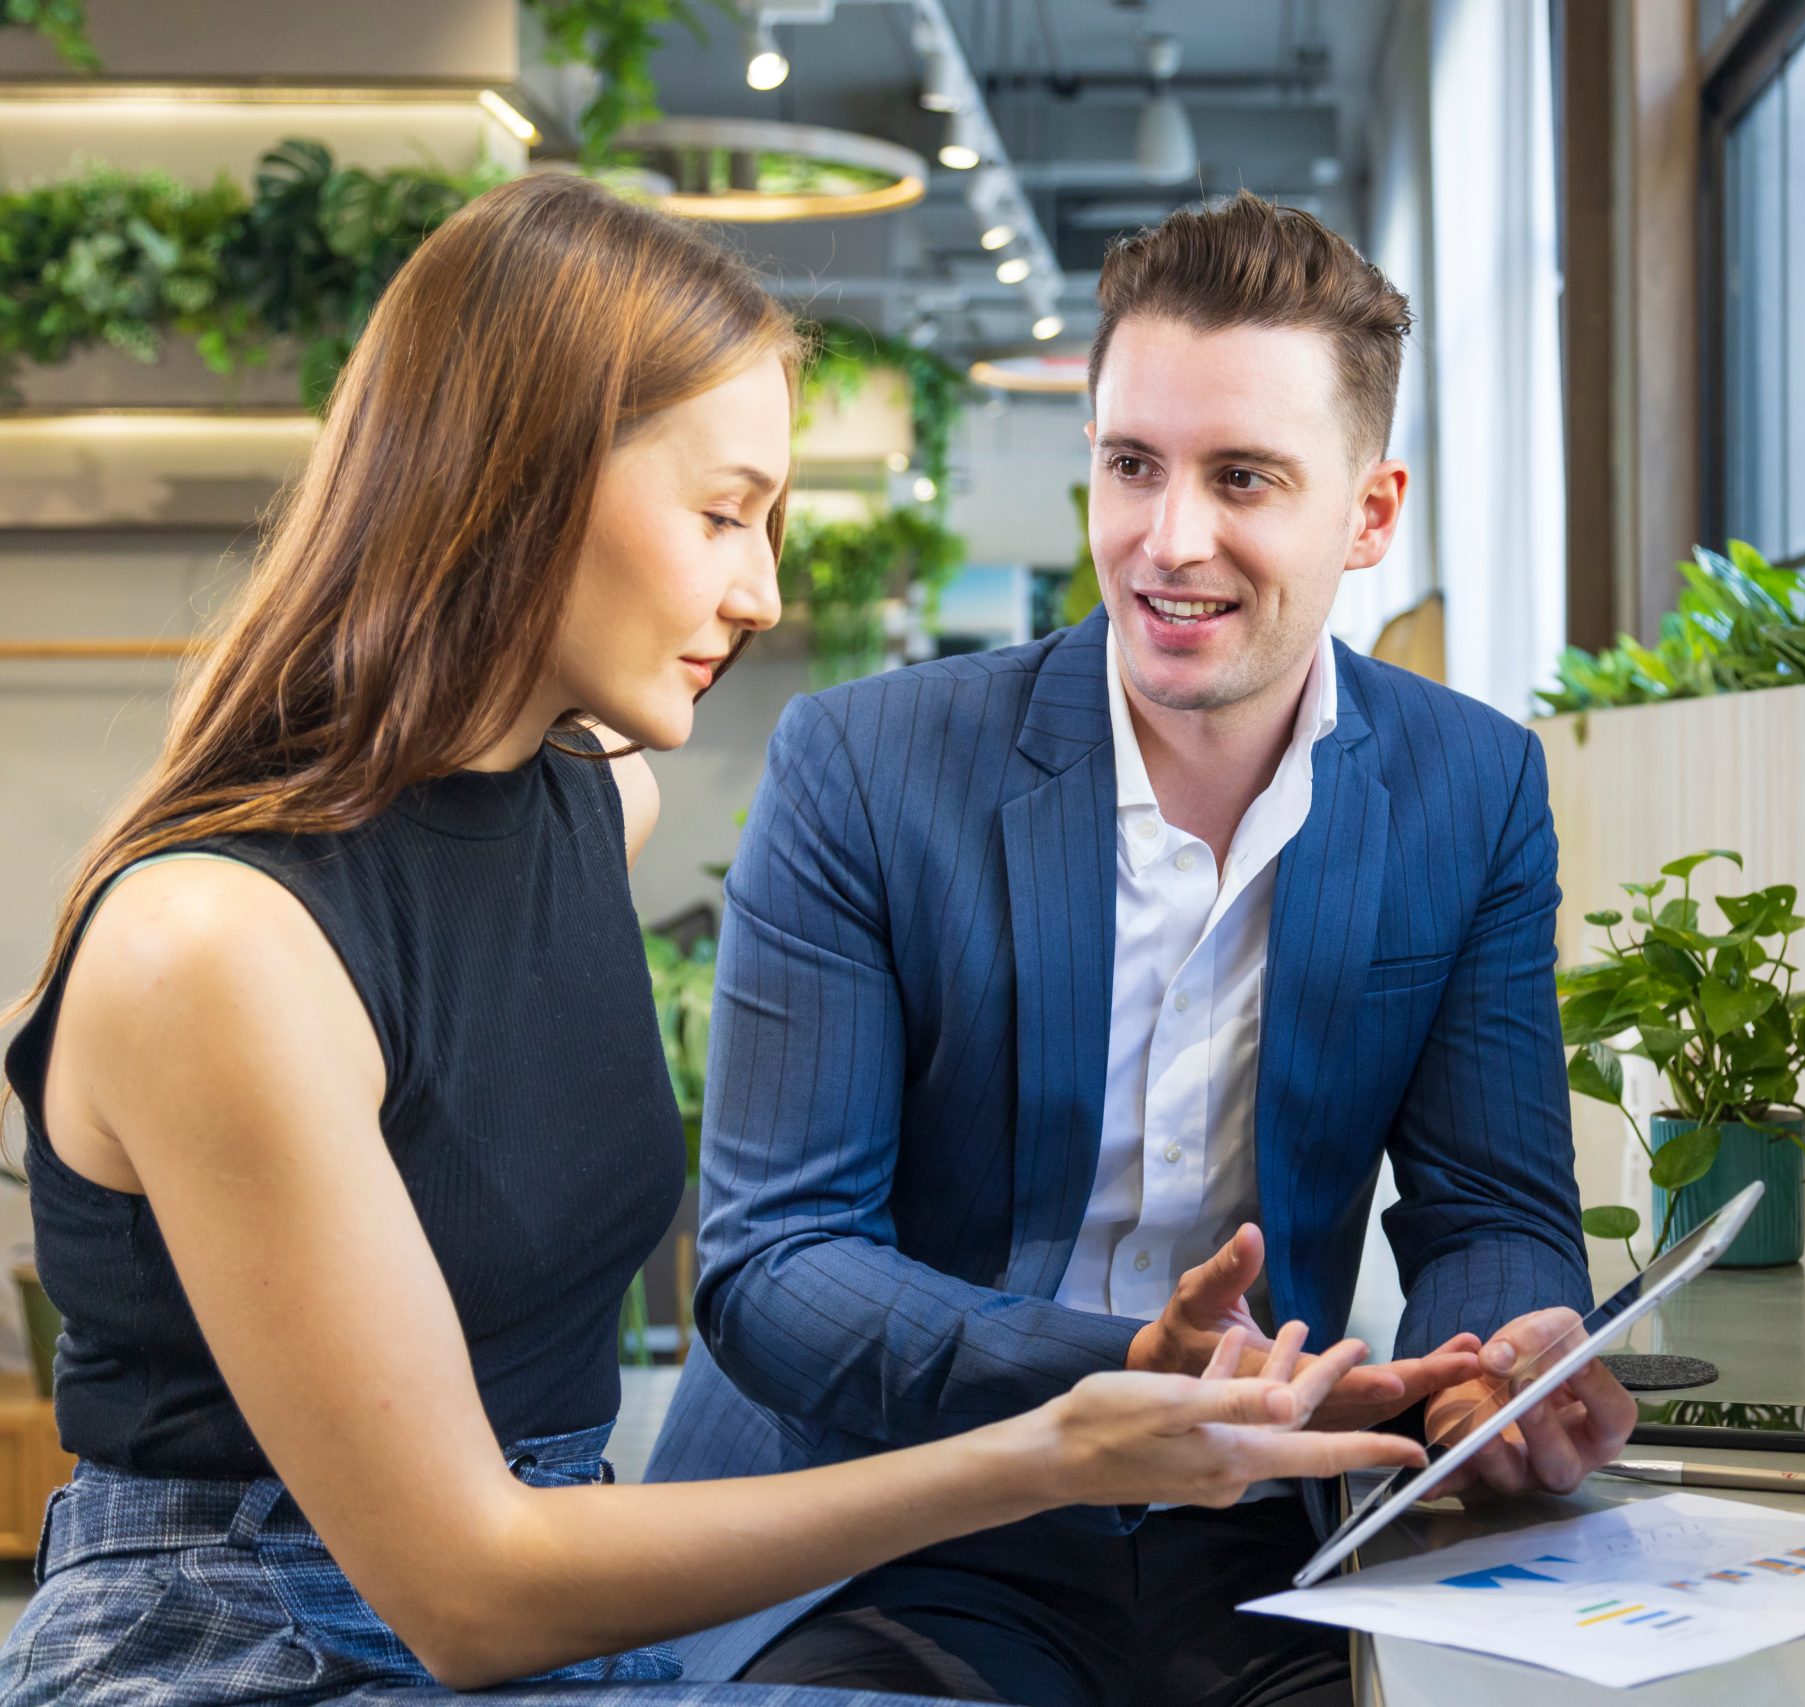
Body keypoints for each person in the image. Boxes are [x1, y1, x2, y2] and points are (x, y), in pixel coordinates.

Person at [0, 173, 1425, 1707]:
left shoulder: (597, 801)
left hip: (568, 1618)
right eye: (722, 513)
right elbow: (469, 1594)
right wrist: (1041, 1456)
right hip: (251, 1650)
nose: (759, 588)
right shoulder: (215, 948)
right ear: (518, 481)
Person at [646, 191, 1636, 1707]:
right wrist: (1121, 1371)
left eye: (1244, 477)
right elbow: (775, 1268)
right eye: (1132, 467)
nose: (1173, 542)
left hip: (1255, 1529)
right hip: (899, 1520)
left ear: (1369, 514)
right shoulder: (864, 765)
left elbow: (1490, 1206)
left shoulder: (1470, 788)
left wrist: (1496, 1367)